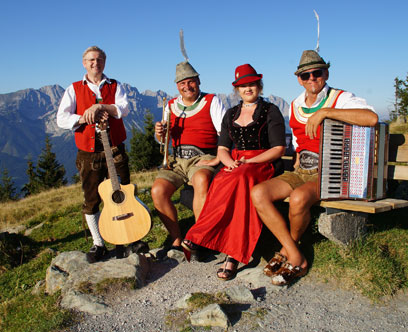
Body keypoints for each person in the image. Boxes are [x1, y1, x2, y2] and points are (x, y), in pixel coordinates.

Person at [251, 50, 379, 286]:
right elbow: (299, 141)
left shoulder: (340, 98)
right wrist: (298, 157)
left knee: (299, 198)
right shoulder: (296, 103)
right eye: (306, 75)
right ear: (299, 78)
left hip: (331, 173)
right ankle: (293, 252)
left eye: (317, 73)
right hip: (302, 170)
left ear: (326, 73)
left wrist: (326, 112)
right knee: (258, 193)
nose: (312, 78)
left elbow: (371, 118)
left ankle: (289, 254)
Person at [182, 64, 286, 280]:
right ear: (237, 90)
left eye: (252, 84)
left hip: (262, 162)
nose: (248, 88)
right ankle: (227, 250)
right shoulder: (231, 113)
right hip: (236, 164)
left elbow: (278, 149)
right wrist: (229, 163)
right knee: (221, 180)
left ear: (259, 86)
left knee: (241, 179)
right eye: (243, 85)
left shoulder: (270, 111)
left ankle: (207, 238)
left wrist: (249, 161)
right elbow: (222, 148)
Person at [56, 46, 142, 263]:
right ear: (84, 63)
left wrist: (101, 106)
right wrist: (85, 116)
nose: (96, 63)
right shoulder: (73, 89)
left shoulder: (115, 85)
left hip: (115, 149)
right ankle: (98, 243)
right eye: (91, 60)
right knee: (91, 198)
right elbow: (61, 119)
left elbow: (124, 109)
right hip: (89, 152)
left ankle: (125, 239)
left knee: (122, 192)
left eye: (100, 59)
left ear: (105, 62)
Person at [151, 61, 226, 258]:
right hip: (176, 159)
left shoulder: (211, 101)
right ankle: (176, 240)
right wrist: (159, 134)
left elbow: (225, 133)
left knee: (201, 180)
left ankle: (201, 239)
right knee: (158, 190)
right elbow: (162, 140)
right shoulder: (170, 105)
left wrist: (219, 157)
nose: (187, 87)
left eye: (191, 82)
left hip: (202, 156)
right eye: (182, 83)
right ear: (177, 86)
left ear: (198, 81)